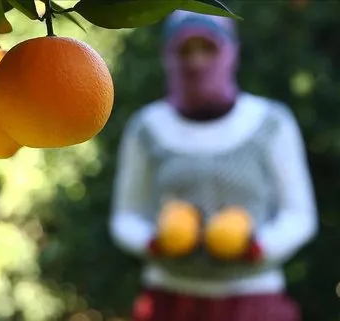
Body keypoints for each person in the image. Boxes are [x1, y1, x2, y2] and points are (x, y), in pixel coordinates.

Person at [108, 10, 318, 321]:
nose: (196, 61)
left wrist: (259, 247)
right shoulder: (148, 127)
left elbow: (300, 215)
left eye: (208, 48)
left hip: (253, 298)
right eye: (184, 50)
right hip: (170, 298)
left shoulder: (270, 123)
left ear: (229, 51)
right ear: (168, 55)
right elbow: (126, 216)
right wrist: (154, 243)